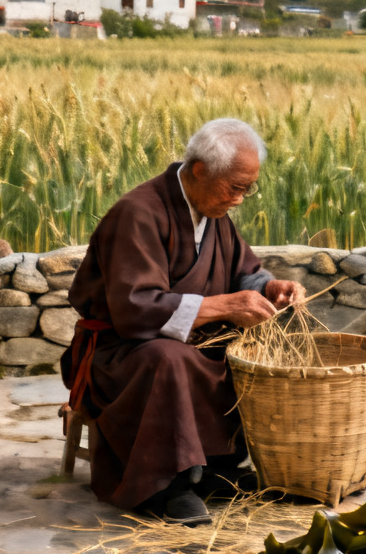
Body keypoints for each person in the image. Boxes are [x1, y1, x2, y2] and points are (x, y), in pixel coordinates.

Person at [61, 118, 305, 524]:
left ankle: (215, 471)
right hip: (120, 353)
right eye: (236, 187)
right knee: (170, 360)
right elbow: (135, 306)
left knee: (239, 352)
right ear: (199, 170)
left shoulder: (213, 210)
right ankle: (165, 486)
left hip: (183, 340)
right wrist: (225, 307)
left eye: (248, 188)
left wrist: (268, 287)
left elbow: (243, 271)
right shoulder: (137, 214)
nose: (241, 199)